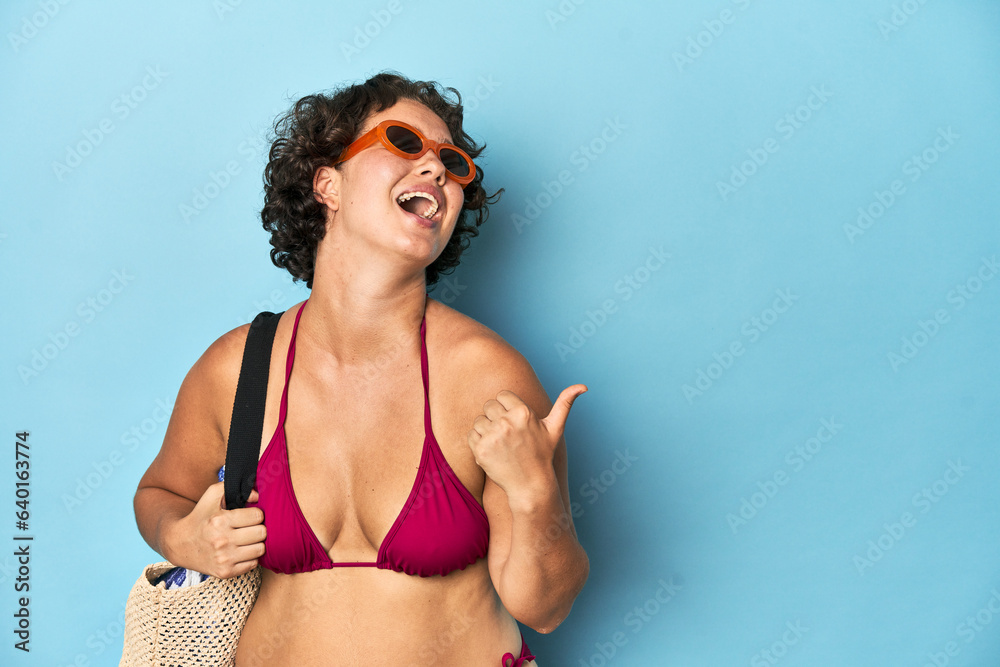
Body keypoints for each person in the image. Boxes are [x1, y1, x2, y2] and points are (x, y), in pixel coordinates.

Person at [133, 71, 589, 666]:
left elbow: (545, 609)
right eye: (404, 142)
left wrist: (534, 492)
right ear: (328, 184)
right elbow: (159, 492)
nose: (436, 169)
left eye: (452, 162)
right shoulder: (239, 367)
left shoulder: (487, 375)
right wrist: (180, 536)